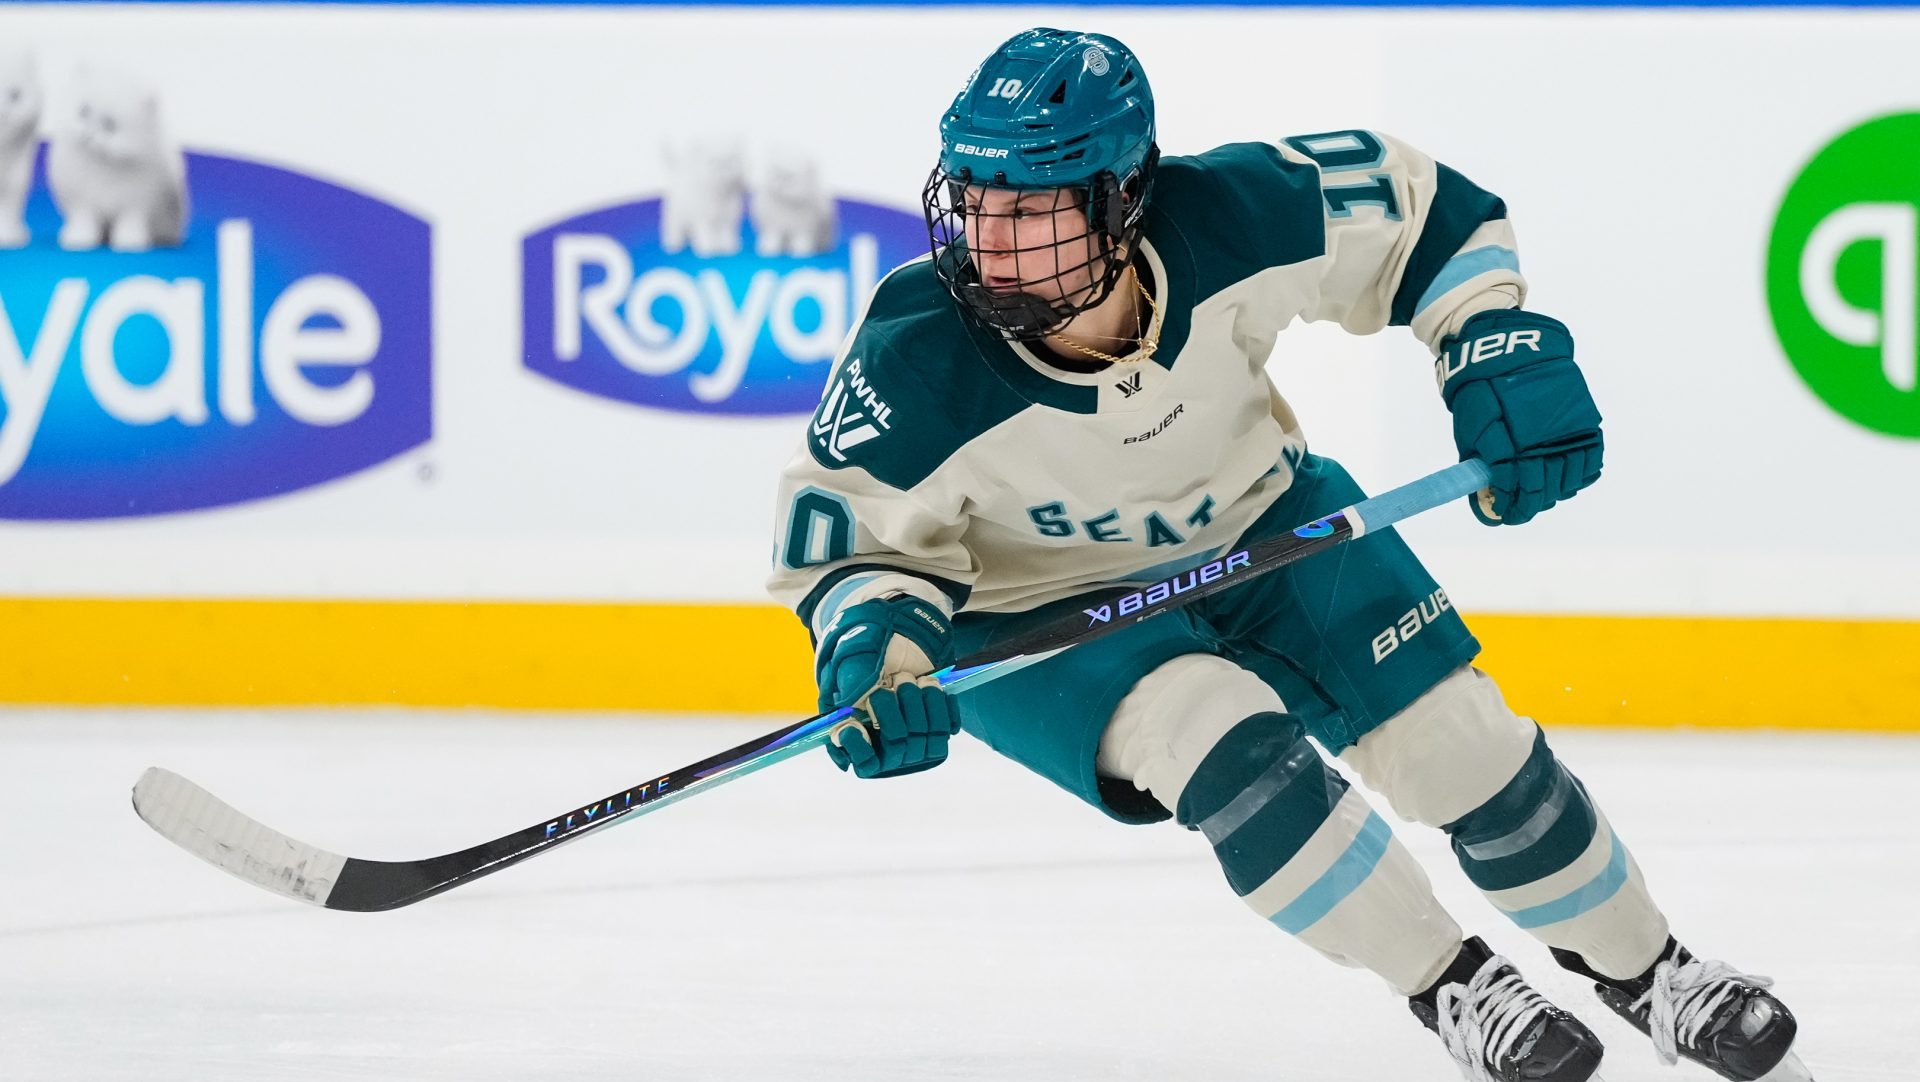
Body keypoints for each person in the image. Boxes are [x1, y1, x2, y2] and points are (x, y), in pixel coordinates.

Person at [767, 27, 1808, 1082]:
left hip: (1265, 527)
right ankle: (1453, 985)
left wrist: (1487, 336)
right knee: (1224, 745)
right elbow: (846, 546)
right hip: (1042, 609)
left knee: (1462, 745)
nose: (992, 239)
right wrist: (877, 656)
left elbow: (1429, 216)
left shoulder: (1232, 214)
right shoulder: (914, 349)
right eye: (977, 199)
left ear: (1123, 196)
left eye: (1031, 207)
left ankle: (1658, 972)